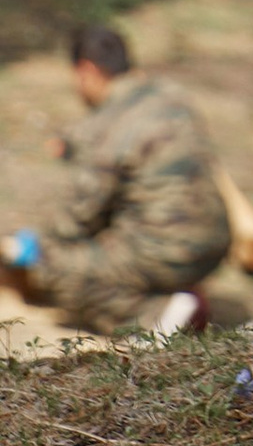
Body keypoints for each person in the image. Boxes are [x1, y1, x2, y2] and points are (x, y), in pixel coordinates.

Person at [2, 25, 231, 335]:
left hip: (163, 249)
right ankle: (173, 289)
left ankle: (157, 315)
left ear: (87, 70)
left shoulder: (107, 125)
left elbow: (78, 217)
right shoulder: (170, 97)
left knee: (54, 266)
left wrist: (31, 248)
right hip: (215, 243)